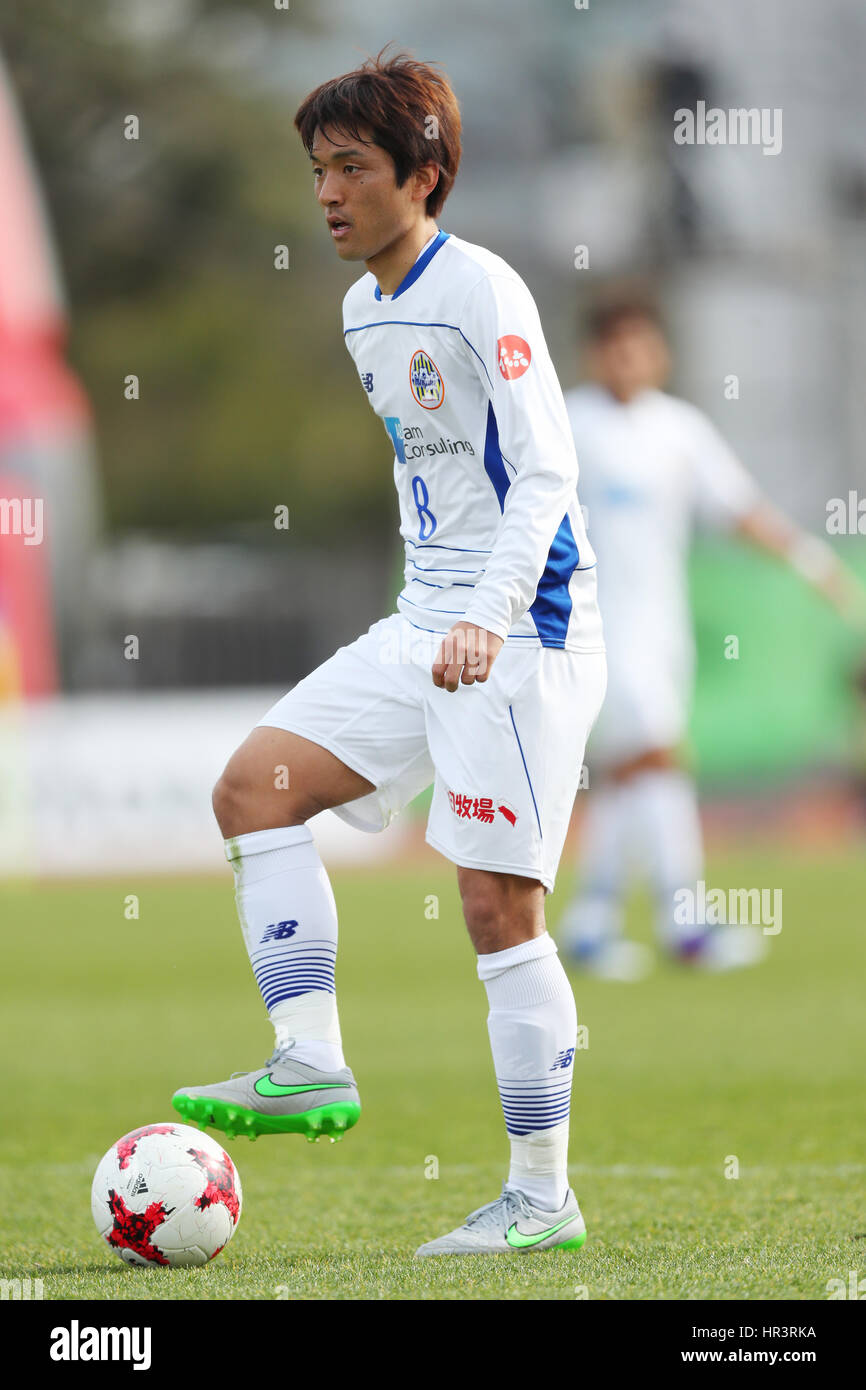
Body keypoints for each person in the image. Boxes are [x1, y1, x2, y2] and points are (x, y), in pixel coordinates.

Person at [172, 49, 607, 1258]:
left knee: (494, 907)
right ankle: (308, 1059)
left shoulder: (485, 290)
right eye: (316, 170)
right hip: (425, 625)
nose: (326, 194)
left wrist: (488, 610)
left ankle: (539, 1197)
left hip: (519, 633)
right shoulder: (361, 309)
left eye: (351, 167)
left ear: (424, 172)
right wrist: (437, 611)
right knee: (254, 784)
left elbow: (546, 473)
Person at [559, 296, 863, 979]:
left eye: (638, 344)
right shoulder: (569, 424)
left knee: (630, 774)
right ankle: (684, 921)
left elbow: (738, 508)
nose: (626, 358)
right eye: (613, 345)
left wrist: (812, 561)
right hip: (591, 630)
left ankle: (590, 920)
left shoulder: (678, 429)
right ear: (593, 353)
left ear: (660, 352)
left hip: (662, 632)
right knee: (659, 760)